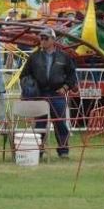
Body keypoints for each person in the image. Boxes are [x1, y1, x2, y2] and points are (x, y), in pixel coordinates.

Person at [20, 27, 77, 159]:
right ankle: (38, 151)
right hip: (40, 94)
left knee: (60, 123)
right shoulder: (34, 57)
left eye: (46, 38)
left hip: (57, 94)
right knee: (40, 123)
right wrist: (29, 87)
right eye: (41, 38)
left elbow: (72, 76)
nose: (43, 40)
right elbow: (24, 75)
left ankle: (63, 151)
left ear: (53, 40)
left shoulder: (64, 56)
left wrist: (65, 88)